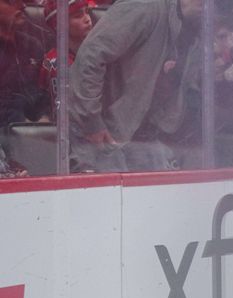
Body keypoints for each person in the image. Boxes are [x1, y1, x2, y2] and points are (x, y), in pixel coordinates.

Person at [69, 0, 203, 172]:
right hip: (101, 130)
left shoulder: (197, 30)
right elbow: (90, 56)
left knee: (154, 195)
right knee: (105, 196)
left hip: (142, 133)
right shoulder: (144, 6)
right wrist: (91, 120)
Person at [39, 0, 93, 119]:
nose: (87, 19)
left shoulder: (96, 52)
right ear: (60, 25)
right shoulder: (54, 62)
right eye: (78, 16)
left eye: (87, 12)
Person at [0, 0, 49, 127]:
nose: (22, 6)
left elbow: (44, 93)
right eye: (11, 2)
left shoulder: (33, 46)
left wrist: (45, 117)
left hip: (35, 134)